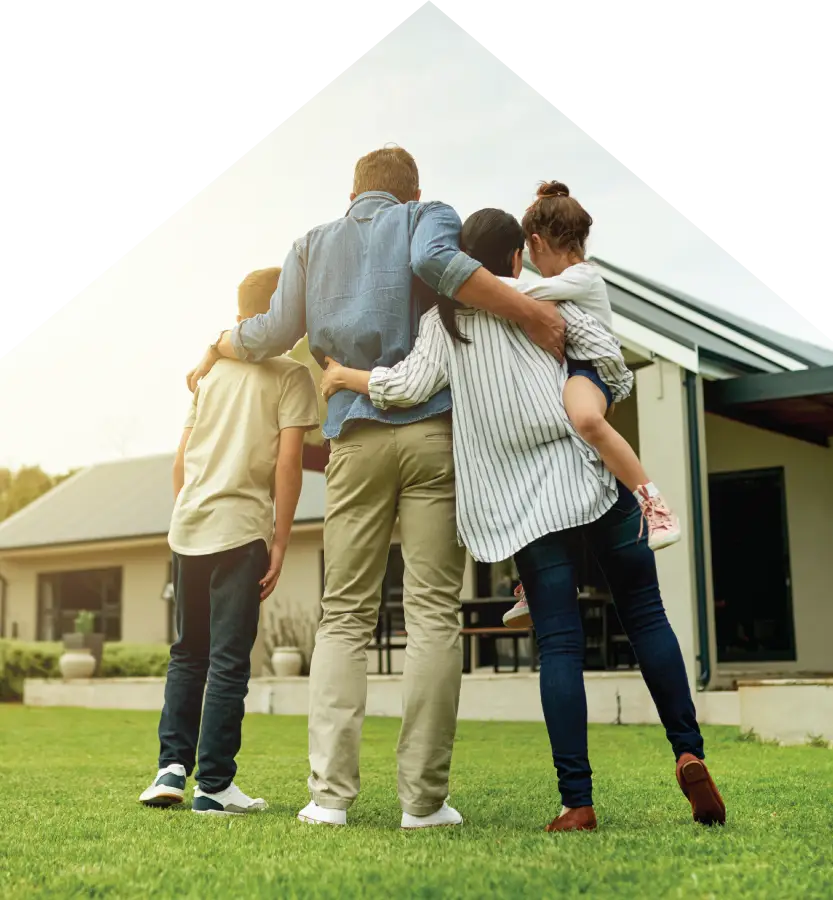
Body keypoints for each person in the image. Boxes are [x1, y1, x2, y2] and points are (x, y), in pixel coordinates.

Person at [182, 147, 566, 829]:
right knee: (432, 614)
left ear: (353, 192)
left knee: (345, 616)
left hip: (353, 441)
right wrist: (531, 313)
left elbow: (272, 333)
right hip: (431, 437)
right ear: (412, 190)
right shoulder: (427, 215)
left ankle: (329, 798)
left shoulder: (310, 244)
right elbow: (440, 267)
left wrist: (220, 340)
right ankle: (423, 803)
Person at [321, 208, 726, 832]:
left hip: (526, 510)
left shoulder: (443, 322)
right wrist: (592, 388)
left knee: (560, 645)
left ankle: (577, 802)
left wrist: (344, 375)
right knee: (646, 615)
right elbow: (607, 363)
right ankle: (689, 750)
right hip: (590, 477)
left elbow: (404, 387)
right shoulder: (540, 302)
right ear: (517, 258)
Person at [140, 267, 318, 815]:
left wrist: (188, 514)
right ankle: (213, 784)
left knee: (187, 654)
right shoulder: (291, 376)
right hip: (240, 531)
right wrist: (281, 540)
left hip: (188, 528)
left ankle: (171, 769)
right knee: (227, 660)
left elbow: (180, 462)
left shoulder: (209, 374)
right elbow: (289, 462)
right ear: (280, 315)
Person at [500, 181, 680, 630]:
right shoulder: (566, 279)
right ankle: (530, 580)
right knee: (553, 472)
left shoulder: (582, 277)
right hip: (567, 378)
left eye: (530, 252)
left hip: (590, 374)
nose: (532, 263)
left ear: (537, 244)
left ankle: (652, 502)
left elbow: (521, 297)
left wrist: (471, 282)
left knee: (583, 419)